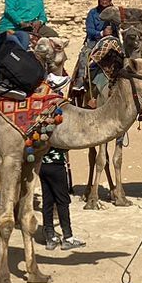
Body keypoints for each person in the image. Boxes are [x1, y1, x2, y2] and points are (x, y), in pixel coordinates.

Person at [38, 76, 84, 251]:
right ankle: (68, 236)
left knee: (47, 200)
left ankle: (49, 236)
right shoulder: (58, 113)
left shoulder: (40, 113)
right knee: (63, 200)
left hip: (42, 164)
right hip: (56, 165)